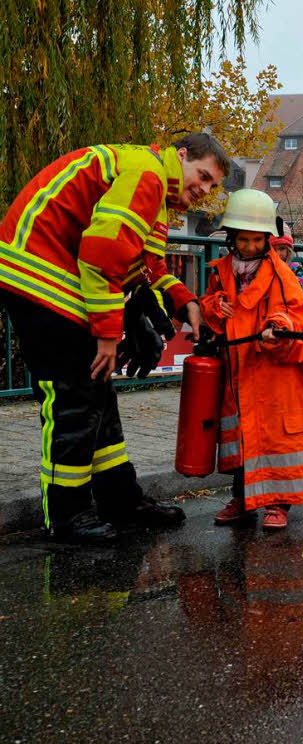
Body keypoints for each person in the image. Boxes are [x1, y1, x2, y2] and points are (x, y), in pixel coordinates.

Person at [0, 133, 227, 542]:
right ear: (181, 157)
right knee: (73, 396)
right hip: (41, 277)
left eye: (212, 186)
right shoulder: (148, 176)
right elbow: (102, 255)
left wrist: (185, 304)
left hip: (52, 277)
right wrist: (109, 334)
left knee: (97, 394)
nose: (205, 190)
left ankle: (120, 500)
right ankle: (67, 516)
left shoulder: (154, 187)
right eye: (204, 176)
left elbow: (148, 268)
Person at [199, 189, 303, 531]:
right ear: (231, 238)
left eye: (258, 240)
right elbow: (209, 305)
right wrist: (215, 308)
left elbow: (297, 314)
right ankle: (242, 500)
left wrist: (278, 327)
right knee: (245, 441)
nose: (251, 247)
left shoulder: (279, 273)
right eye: (244, 240)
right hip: (238, 374)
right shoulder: (220, 270)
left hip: (274, 376)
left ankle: (278, 503)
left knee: (275, 440)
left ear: (268, 239)